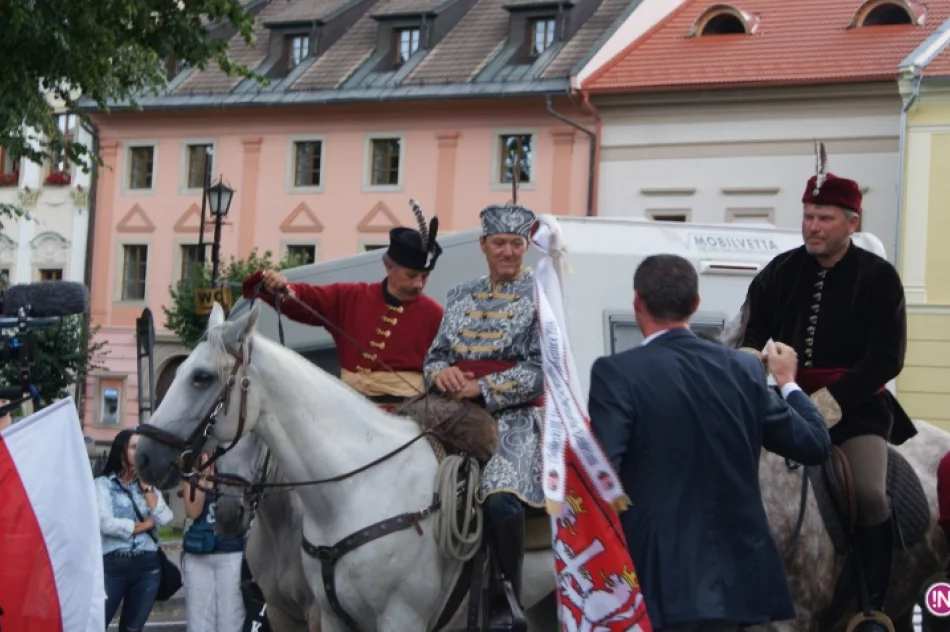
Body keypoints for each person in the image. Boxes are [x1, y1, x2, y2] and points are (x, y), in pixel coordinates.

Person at [588, 254, 831, 632]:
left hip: (656, 580)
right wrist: (788, 383)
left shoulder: (615, 374)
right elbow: (815, 443)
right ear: (695, 305)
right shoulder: (745, 370)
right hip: (735, 583)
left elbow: (601, 478)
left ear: (637, 302)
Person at [739, 147, 913, 622]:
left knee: (870, 493)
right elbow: (753, 335)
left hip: (854, 408)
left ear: (851, 223)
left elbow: (887, 358)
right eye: (808, 216)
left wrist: (828, 403)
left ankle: (872, 606)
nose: (813, 226)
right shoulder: (778, 272)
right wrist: (757, 366)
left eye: (825, 218)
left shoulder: (879, 278)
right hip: (779, 401)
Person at [424, 204, 543, 632]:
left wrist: (485, 388)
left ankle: (505, 597)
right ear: (483, 245)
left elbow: (542, 370)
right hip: (450, 413)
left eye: (516, 243)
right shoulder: (458, 294)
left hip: (513, 418)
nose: (508, 252)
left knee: (499, 497)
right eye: (499, 243)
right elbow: (434, 357)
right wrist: (442, 372)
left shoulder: (543, 295)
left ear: (527, 246)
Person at [242, 206, 445, 410]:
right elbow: (307, 299)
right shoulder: (351, 297)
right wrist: (279, 287)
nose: (419, 284)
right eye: (411, 276)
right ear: (389, 266)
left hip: (406, 417)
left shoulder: (436, 315)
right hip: (347, 410)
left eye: (424, 277)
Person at [95, 429, 175, 631]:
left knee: (132, 628)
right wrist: (145, 525)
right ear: (120, 451)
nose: (139, 451)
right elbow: (106, 524)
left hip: (147, 566)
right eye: (133, 447)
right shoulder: (104, 485)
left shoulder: (149, 485)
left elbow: (165, 518)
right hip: (114, 565)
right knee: (96, 624)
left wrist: (147, 488)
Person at [181, 452, 247, 632]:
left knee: (231, 620)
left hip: (231, 552)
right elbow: (193, 512)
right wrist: (204, 479)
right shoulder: (194, 469)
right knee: (199, 622)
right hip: (199, 553)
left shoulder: (239, 468)